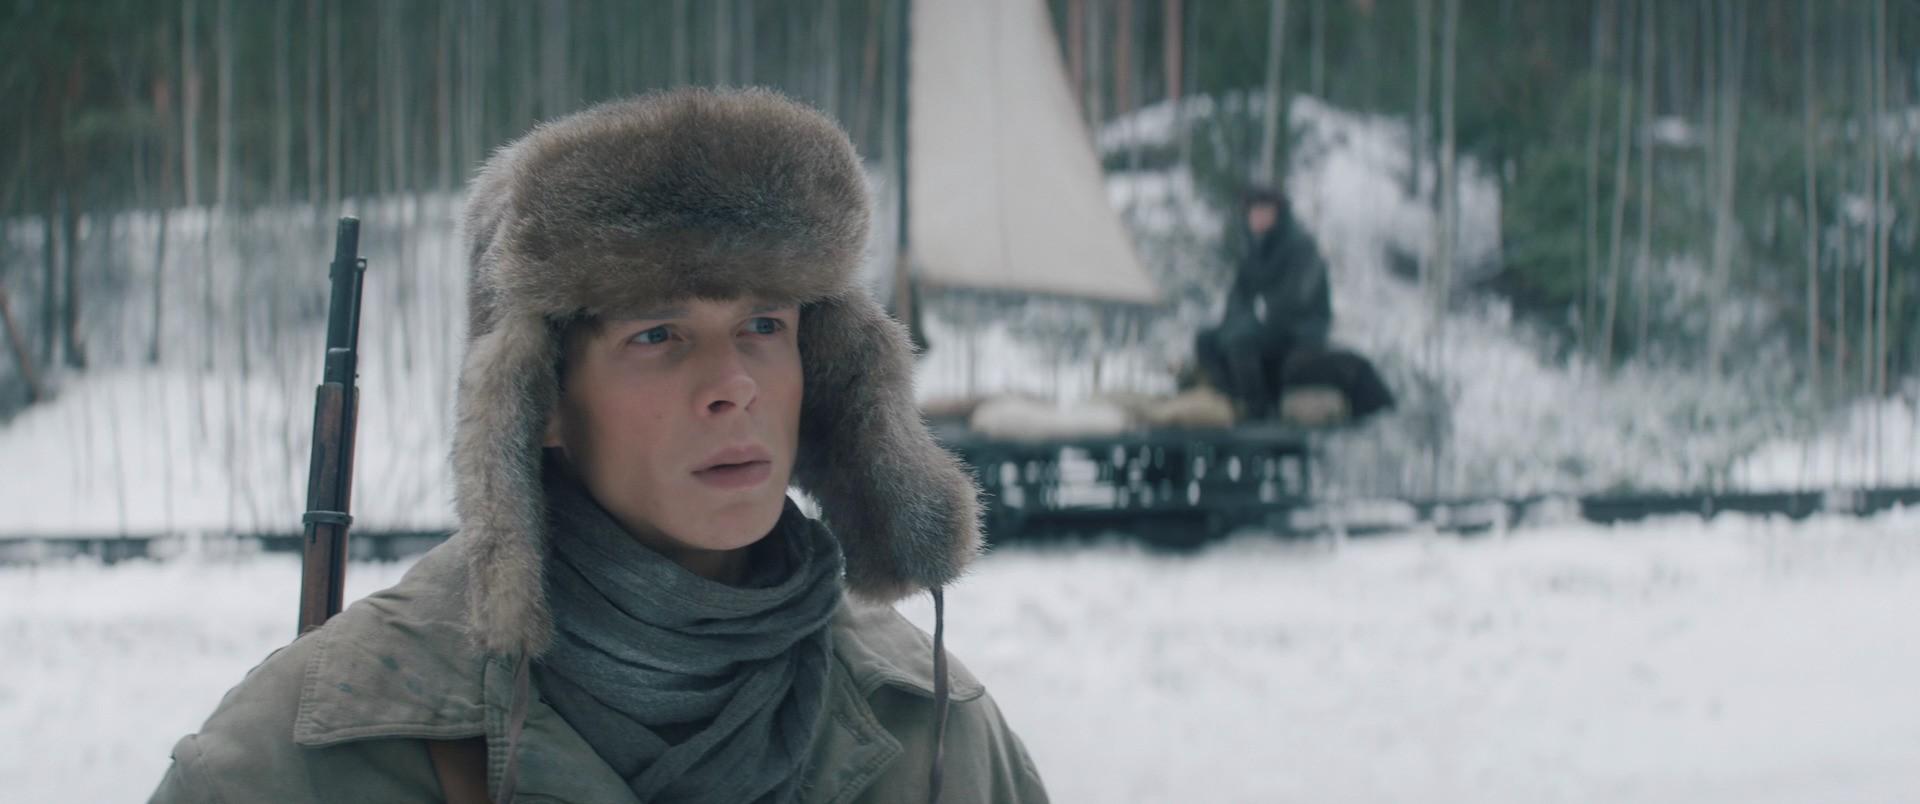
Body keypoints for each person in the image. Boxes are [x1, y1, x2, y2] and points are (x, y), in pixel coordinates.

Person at [150, 89, 1047, 803]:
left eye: (763, 325)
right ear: (540, 400)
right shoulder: (312, 753)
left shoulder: (937, 734)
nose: (733, 383)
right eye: (658, 334)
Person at [1193, 186, 1333, 421]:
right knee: (1206, 340)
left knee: (1241, 339)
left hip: (1299, 332)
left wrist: (1254, 319)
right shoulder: (1253, 253)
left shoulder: (1300, 246)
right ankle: (1231, 401)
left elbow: (1297, 296)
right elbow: (1237, 297)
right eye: (1253, 210)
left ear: (1277, 212)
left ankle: (1258, 411)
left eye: (1263, 210)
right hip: (1263, 329)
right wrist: (1236, 322)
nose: (1257, 216)